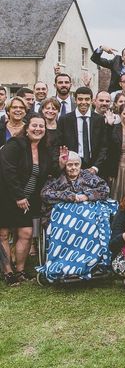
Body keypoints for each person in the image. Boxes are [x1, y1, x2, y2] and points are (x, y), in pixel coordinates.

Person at [0, 114, 52, 285]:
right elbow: (8, 171)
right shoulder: (15, 144)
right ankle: (8, 272)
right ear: (26, 128)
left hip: (27, 200)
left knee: (26, 233)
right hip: (6, 195)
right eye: (34, 125)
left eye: (41, 126)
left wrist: (60, 163)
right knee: (3, 234)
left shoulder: (44, 150)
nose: (38, 129)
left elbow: (47, 174)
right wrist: (18, 195)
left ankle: (20, 270)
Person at [57, 87, 109, 174]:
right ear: (75, 100)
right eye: (80, 99)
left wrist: (95, 167)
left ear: (92, 101)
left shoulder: (99, 119)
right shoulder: (65, 120)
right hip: (71, 166)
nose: (83, 102)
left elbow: (104, 146)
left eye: (87, 99)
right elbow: (60, 144)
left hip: (94, 166)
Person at [41, 150, 110, 205]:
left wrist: (86, 196)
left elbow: (105, 189)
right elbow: (44, 194)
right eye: (70, 165)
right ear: (65, 165)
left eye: (76, 164)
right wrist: (69, 196)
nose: (74, 168)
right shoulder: (58, 177)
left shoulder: (87, 175)